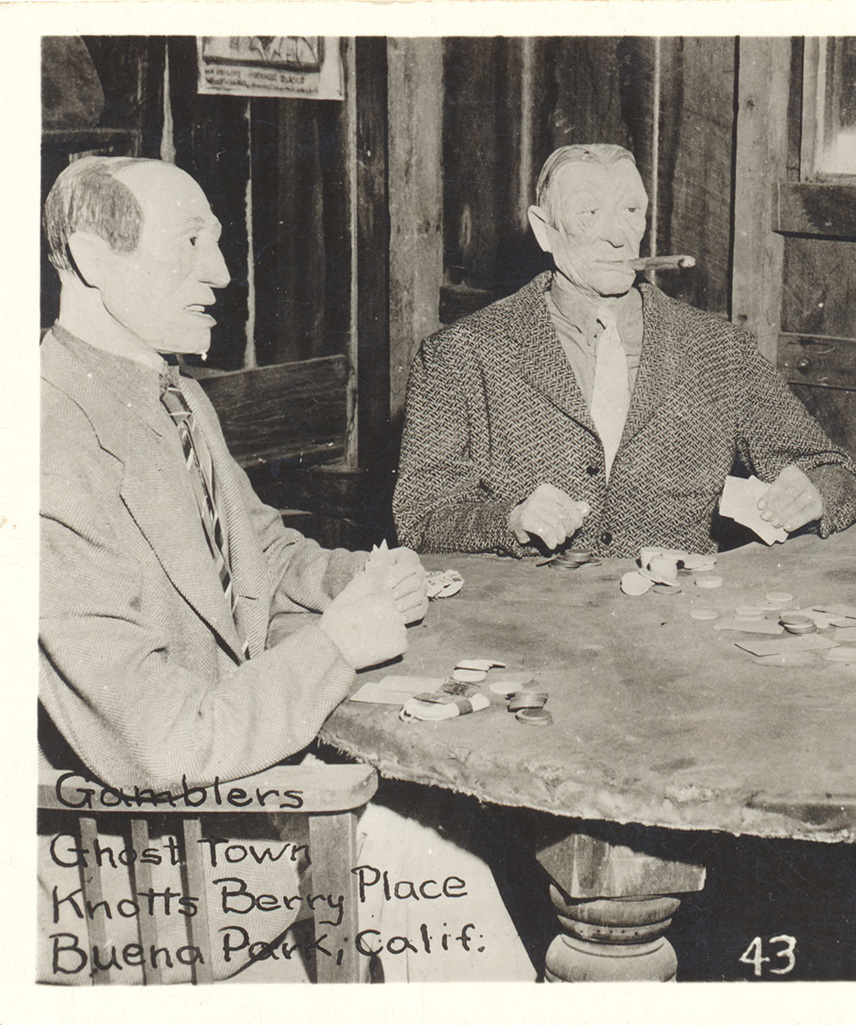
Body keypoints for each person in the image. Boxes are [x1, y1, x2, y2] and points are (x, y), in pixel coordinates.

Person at [38, 156, 535, 983]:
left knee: (467, 850)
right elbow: (159, 744)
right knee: (456, 880)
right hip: (139, 875)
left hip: (232, 804)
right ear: (93, 256)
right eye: (193, 240)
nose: (224, 272)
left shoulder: (172, 393)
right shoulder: (40, 443)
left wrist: (355, 580)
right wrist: (339, 645)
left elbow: (255, 550)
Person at [393, 143, 856, 558]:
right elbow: (420, 515)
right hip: (528, 627)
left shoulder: (717, 350)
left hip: (675, 625)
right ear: (544, 229)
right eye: (589, 213)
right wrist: (510, 520)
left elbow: (839, 473)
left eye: (630, 211)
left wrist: (814, 493)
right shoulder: (461, 355)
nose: (618, 234)